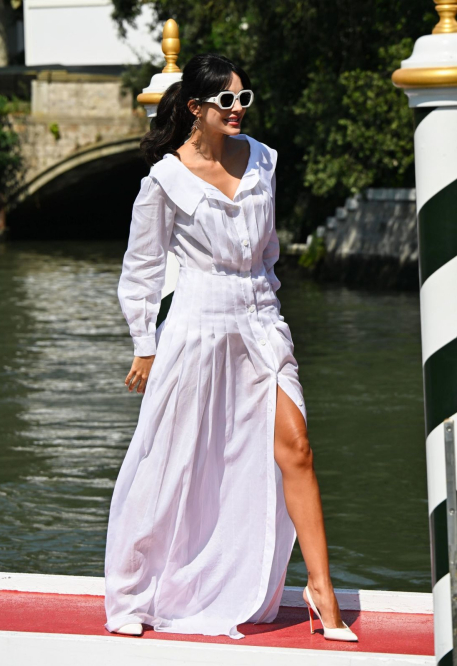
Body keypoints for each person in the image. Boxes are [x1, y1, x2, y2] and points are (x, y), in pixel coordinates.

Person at [104, 52, 358, 643]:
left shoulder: (265, 160)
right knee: (172, 460)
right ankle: (136, 587)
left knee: (296, 446)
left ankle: (321, 590)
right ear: (196, 108)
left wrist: (264, 303)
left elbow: (266, 252)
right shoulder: (164, 179)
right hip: (195, 324)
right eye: (226, 101)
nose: (238, 109)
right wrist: (145, 346)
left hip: (259, 319)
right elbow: (141, 270)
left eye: (245, 98)